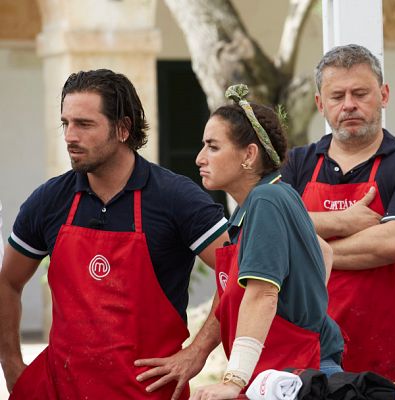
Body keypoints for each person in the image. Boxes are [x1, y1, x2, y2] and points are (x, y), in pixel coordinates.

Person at [0, 69, 229, 399]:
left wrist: (196, 353)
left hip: (147, 392)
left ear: (123, 129)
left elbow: (237, 273)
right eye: (66, 123)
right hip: (59, 390)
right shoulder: (49, 200)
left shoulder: (176, 198)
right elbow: (8, 282)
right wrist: (10, 364)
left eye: (84, 124)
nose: (69, 136)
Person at [281, 44, 395, 382]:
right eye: (337, 96)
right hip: (308, 356)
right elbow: (269, 230)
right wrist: (343, 221)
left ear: (383, 95)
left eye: (360, 93)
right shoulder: (297, 164)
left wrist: (303, 248)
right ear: (320, 104)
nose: (349, 104)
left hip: (388, 358)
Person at [190, 84, 344, 399]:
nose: (199, 158)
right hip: (287, 369)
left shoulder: (266, 200)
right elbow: (324, 252)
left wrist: (233, 381)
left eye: (213, 147)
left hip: (300, 372)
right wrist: (305, 299)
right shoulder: (269, 198)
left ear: (249, 154)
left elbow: (262, 296)